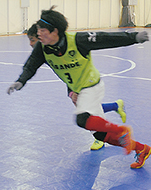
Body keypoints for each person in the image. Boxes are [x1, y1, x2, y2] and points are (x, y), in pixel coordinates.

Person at [9, 7, 151, 169]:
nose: (38, 34)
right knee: (100, 134)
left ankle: (121, 130)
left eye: (42, 31)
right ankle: (142, 149)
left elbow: (105, 39)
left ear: (55, 31)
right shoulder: (42, 49)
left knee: (82, 119)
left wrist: (134, 37)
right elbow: (31, 66)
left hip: (91, 85)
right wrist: (21, 81)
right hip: (77, 89)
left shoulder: (77, 40)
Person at [26, 23, 126, 151]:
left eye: (32, 40)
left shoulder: (59, 46)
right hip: (72, 82)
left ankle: (100, 136)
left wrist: (75, 89)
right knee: (84, 107)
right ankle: (115, 106)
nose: (30, 44)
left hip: (84, 80)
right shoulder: (44, 51)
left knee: (86, 110)